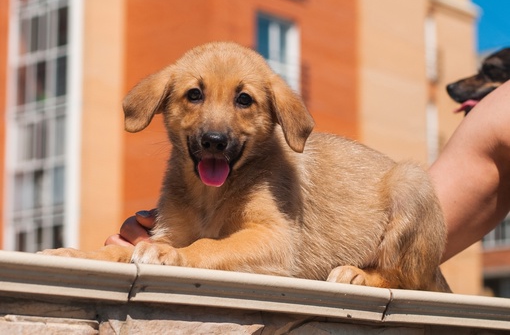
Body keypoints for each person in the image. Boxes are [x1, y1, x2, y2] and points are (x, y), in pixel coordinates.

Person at [105, 80, 510, 263]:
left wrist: (188, 256)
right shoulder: (499, 113)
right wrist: (158, 251)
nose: (214, 128)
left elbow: (275, 245)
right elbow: (437, 215)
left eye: (244, 101)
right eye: (193, 96)